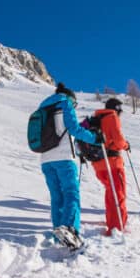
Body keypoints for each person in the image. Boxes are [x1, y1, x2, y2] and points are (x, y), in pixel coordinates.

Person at [37, 83, 98, 249]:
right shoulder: (65, 103)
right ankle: (71, 230)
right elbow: (73, 129)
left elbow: (56, 133)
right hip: (64, 159)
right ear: (71, 98)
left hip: (46, 160)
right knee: (71, 194)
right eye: (75, 103)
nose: (74, 106)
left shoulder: (44, 106)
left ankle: (59, 235)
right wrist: (94, 138)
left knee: (57, 197)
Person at [91, 98, 130, 235]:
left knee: (110, 193)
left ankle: (112, 222)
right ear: (117, 108)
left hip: (98, 163)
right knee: (118, 194)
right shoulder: (112, 116)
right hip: (112, 162)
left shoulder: (97, 118)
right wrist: (126, 145)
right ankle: (116, 227)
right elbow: (119, 141)